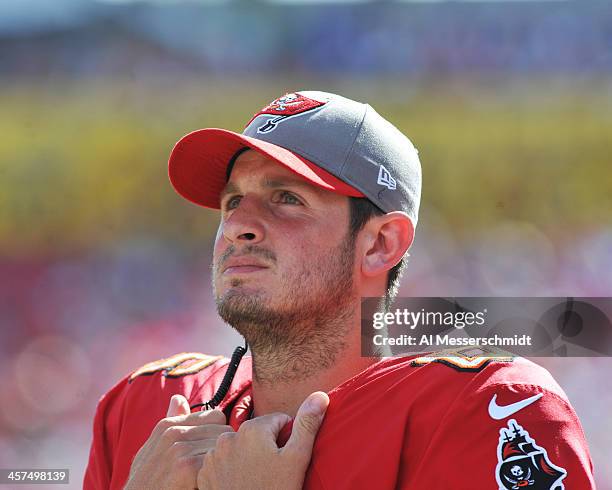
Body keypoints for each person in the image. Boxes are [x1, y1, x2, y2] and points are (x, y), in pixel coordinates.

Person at [84, 91, 595, 489]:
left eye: (286, 198)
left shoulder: (488, 409)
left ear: (379, 244)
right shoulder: (144, 405)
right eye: (233, 199)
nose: (239, 224)